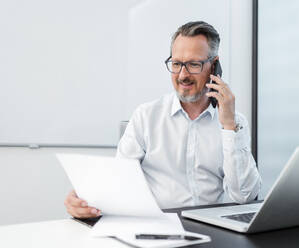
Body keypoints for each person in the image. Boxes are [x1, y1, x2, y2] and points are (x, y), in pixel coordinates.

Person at [64, 21, 261, 218]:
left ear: (214, 66)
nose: (183, 75)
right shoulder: (146, 116)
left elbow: (244, 196)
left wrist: (229, 126)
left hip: (212, 227)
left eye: (193, 64)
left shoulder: (233, 123)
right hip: (157, 227)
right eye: (176, 64)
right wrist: (86, 201)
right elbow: (120, 183)